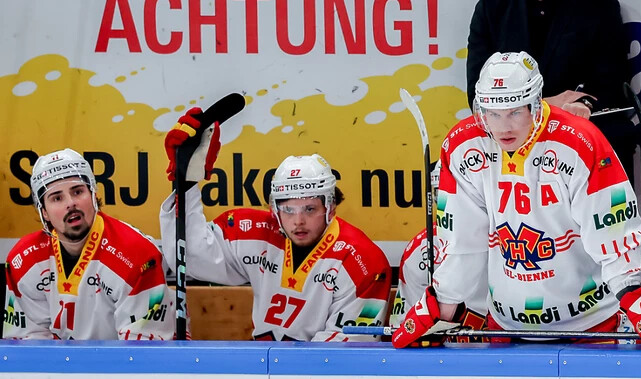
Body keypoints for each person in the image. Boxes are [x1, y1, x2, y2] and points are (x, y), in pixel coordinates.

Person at [392, 52, 641, 349]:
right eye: (493, 113)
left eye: (515, 112)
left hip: (590, 323)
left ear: (534, 104)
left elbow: (612, 226)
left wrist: (637, 292)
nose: (504, 127)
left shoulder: (579, 140)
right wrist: (443, 305)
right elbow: (461, 240)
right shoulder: (463, 146)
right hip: (506, 324)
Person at [159, 109, 391, 341]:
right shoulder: (257, 233)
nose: (298, 221)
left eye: (310, 209)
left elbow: (348, 350)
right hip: (263, 362)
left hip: (312, 366)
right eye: (288, 210)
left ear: (330, 206)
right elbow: (191, 259)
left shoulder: (363, 263)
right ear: (275, 209)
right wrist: (186, 181)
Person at [465, 0, 635, 176]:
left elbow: (612, 87)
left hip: (577, 142)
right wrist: (547, 106)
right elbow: (477, 98)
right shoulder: (492, 7)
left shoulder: (602, 9)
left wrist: (583, 104)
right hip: (510, 147)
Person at [3, 149, 174, 340]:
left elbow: (143, 350)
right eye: (57, 198)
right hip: (58, 360)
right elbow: (27, 343)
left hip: (123, 358)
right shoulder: (25, 259)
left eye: (77, 192)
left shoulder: (136, 253)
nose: (70, 203)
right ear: (44, 212)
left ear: (93, 194)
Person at [390, 164, 488, 342]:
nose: (459, 205)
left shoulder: (521, 243)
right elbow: (404, 329)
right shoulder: (421, 249)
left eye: (469, 196)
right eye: (445, 195)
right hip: (445, 356)